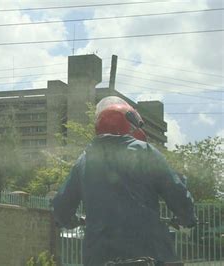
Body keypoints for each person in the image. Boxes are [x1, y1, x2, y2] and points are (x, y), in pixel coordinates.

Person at [53, 96, 196, 266]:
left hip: (99, 257)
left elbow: (61, 208)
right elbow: (176, 192)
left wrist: (70, 220)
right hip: (149, 254)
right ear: (130, 125)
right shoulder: (146, 152)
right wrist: (186, 218)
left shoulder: (84, 161)